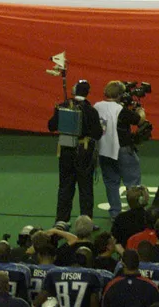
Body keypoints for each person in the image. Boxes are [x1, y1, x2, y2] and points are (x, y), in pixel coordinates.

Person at [47, 81, 102, 226]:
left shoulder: (63, 106)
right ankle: (86, 221)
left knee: (65, 186)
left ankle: (61, 220)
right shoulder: (91, 110)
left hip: (65, 151)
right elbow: (97, 133)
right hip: (84, 153)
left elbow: (51, 126)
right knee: (85, 188)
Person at [94, 81, 144, 217]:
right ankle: (135, 213)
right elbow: (139, 120)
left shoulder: (97, 106)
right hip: (123, 149)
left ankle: (115, 213)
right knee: (132, 182)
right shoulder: (120, 110)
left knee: (111, 182)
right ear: (120, 95)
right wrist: (140, 111)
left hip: (104, 149)